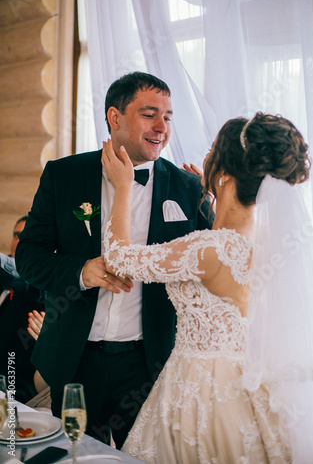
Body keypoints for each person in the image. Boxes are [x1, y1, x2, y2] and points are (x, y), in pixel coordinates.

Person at [102, 112, 313, 463]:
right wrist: (215, 204)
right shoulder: (270, 244)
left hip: (203, 391)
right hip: (248, 383)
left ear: (224, 174)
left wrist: (122, 186)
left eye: (212, 151)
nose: (206, 157)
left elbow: (119, 257)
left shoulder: (208, 250)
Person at [15, 71, 213, 448]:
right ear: (115, 117)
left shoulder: (188, 189)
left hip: (149, 364)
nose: (161, 127)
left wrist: (213, 207)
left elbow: (210, 269)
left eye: (168, 117)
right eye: (149, 114)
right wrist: (81, 271)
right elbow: (27, 257)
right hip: (75, 359)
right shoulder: (64, 175)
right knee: (73, 455)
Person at [0, 216, 45, 403]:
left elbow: (26, 275)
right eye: (17, 235)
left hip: (18, 393)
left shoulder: (42, 288)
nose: (19, 242)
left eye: (26, 237)